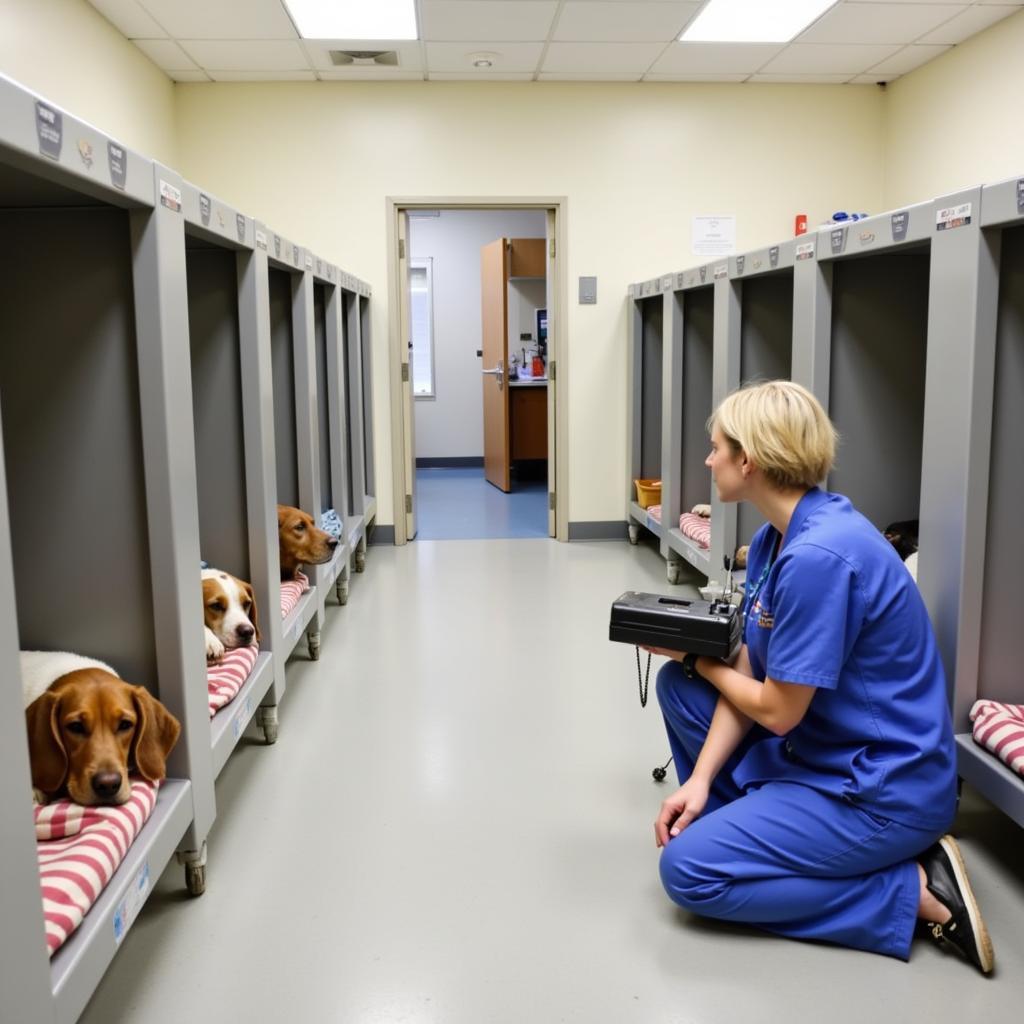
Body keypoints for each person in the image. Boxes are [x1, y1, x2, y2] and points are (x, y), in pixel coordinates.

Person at [644, 380, 994, 973]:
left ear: (748, 460)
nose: (708, 460)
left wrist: (693, 656)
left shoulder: (819, 558)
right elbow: (756, 665)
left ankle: (913, 891)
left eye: (716, 448)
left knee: (689, 873)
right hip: (828, 747)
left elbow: (777, 711)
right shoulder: (776, 539)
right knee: (681, 693)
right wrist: (701, 780)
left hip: (883, 788)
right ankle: (757, 830)